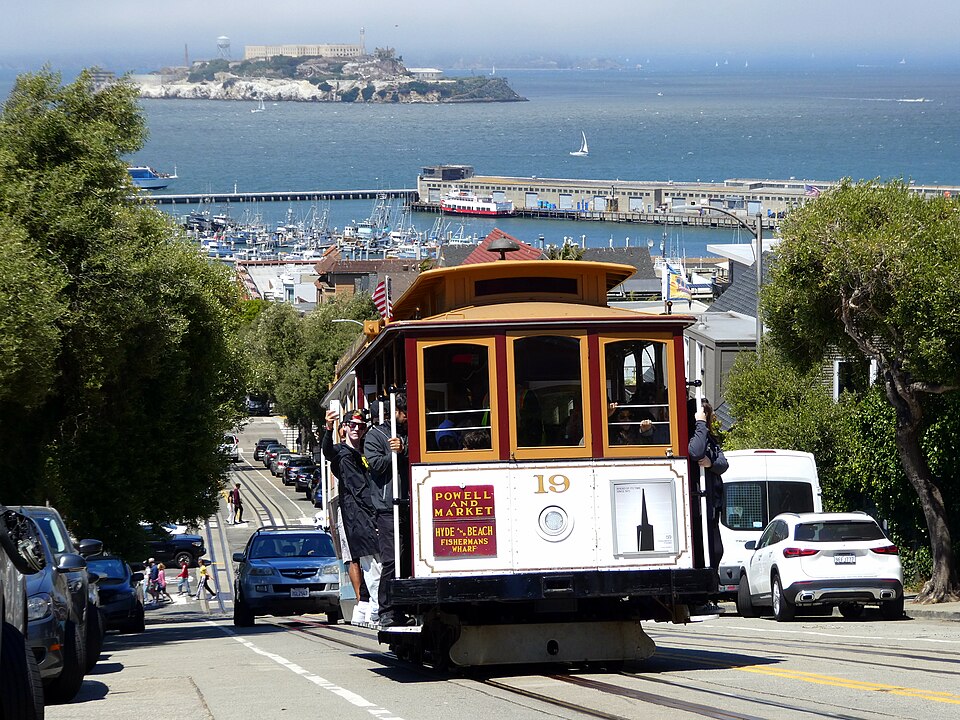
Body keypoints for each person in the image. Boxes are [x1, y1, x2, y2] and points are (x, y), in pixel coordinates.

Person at [323, 407, 381, 624]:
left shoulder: (366, 451)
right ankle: (371, 606)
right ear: (344, 428)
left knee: (373, 562)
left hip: (366, 511)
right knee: (369, 561)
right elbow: (327, 451)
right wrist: (328, 428)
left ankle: (365, 605)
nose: (357, 429)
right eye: (353, 425)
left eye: (361, 426)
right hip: (356, 514)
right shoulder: (341, 452)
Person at [364, 393, 413, 628]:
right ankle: (386, 608)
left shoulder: (410, 435)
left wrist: (403, 449)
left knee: (409, 559)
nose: (407, 416)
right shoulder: (374, 436)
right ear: (396, 412)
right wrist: (392, 453)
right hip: (386, 507)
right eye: (405, 412)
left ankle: (406, 605)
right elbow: (377, 465)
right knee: (392, 559)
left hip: (410, 503)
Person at [688, 399, 728, 573]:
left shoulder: (710, 438)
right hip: (697, 506)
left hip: (712, 504)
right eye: (706, 415)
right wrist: (701, 424)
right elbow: (696, 452)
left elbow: (723, 464)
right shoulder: (694, 435)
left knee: (717, 549)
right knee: (705, 549)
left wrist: (711, 464)